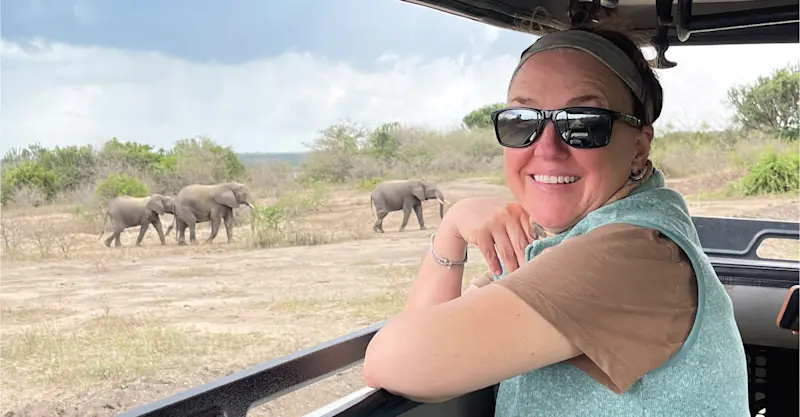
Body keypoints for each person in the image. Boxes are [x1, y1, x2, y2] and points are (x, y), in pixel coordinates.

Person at [361, 24, 751, 416]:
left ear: (638, 148)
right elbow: (431, 334)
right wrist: (454, 231)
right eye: (521, 121)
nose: (546, 147)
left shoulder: (629, 255)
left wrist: (451, 227)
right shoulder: (585, 239)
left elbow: (392, 361)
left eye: (583, 123)